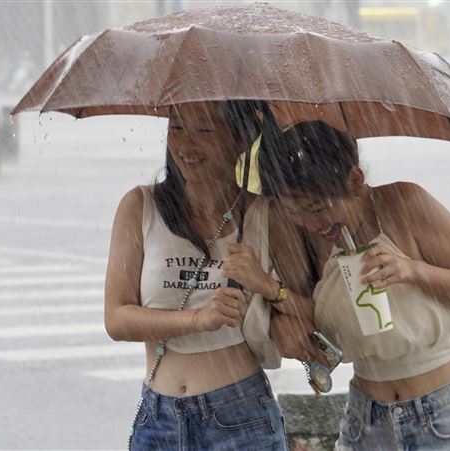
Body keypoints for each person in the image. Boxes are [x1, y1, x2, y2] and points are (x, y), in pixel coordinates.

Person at [252, 120, 450, 450]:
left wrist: (411, 270)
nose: (313, 223)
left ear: (356, 179)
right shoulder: (310, 237)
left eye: (318, 208)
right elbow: (313, 320)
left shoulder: (405, 203)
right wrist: (276, 308)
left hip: (445, 412)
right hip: (366, 420)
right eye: (295, 211)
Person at [104, 101, 308, 451]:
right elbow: (117, 319)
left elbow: (310, 314)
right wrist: (199, 319)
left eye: (205, 131)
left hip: (241, 415)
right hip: (159, 418)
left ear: (241, 139)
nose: (186, 145)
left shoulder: (265, 216)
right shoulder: (140, 206)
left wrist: (267, 287)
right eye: (177, 128)